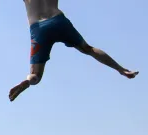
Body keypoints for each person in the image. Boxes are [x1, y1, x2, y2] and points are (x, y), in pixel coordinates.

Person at [9, 0, 138, 102]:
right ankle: (121, 69)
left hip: (39, 29)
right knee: (89, 49)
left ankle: (28, 80)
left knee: (35, 75)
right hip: (58, 20)